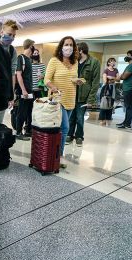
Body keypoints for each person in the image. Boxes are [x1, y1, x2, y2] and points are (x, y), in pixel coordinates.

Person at [44, 36, 80, 168]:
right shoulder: (54, 61)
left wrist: (77, 81)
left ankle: (56, 156)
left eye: (71, 45)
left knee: (61, 129)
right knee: (65, 128)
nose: (69, 47)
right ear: (61, 46)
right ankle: (57, 157)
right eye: (66, 44)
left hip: (71, 98)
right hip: (57, 99)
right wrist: (52, 86)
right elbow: (46, 79)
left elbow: (73, 78)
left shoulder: (75, 62)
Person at [67, 42, 100, 146]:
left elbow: (95, 83)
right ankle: (69, 134)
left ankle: (79, 136)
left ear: (81, 50)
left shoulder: (94, 62)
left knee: (80, 118)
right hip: (72, 94)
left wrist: (91, 100)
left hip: (84, 95)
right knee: (71, 117)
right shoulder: (73, 62)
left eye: (75, 50)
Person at [0, 19, 18, 125]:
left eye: (14, 36)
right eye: (9, 34)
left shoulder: (12, 51)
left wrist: (11, 95)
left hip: (2, 91)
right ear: (2, 32)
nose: (11, 38)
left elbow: (12, 73)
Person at [15, 39, 35, 140]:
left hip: (30, 90)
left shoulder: (29, 60)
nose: (34, 48)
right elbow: (18, 74)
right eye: (33, 46)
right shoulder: (21, 58)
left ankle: (27, 130)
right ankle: (18, 132)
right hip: (24, 90)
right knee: (21, 112)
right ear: (30, 46)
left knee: (29, 111)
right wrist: (23, 90)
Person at [116, 50, 132, 129]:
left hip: (129, 88)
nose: (126, 57)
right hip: (127, 88)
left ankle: (127, 124)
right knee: (127, 106)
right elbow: (123, 75)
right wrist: (121, 76)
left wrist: (120, 77)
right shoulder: (130, 65)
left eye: (128, 55)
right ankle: (125, 122)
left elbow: (124, 76)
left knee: (129, 106)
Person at [99, 57, 120, 126]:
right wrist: (111, 79)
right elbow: (105, 81)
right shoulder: (106, 70)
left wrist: (111, 78)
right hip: (105, 88)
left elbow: (118, 79)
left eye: (114, 61)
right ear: (108, 63)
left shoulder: (116, 70)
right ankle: (102, 119)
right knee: (103, 103)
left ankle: (108, 119)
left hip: (112, 87)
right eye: (111, 61)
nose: (113, 62)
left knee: (111, 103)